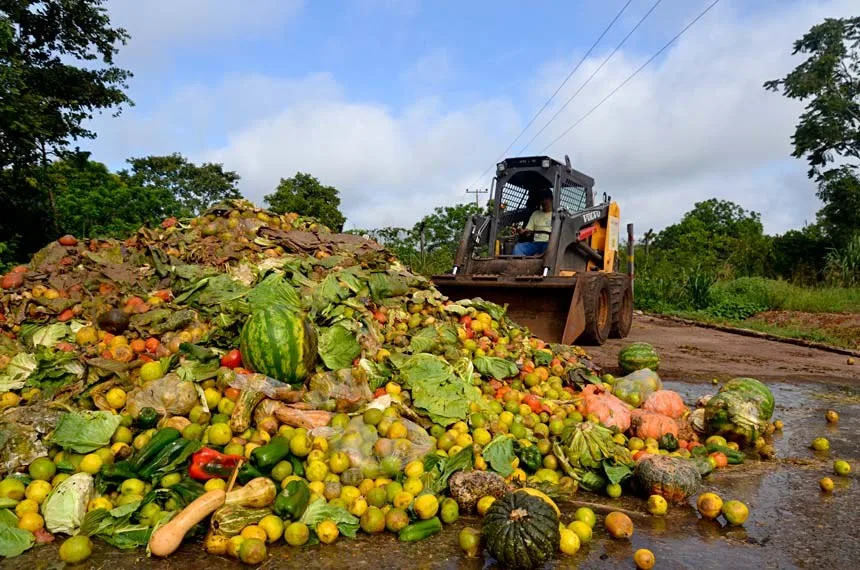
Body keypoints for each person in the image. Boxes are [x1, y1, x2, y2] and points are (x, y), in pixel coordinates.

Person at [512, 189, 553, 256]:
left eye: (546, 198)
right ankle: (523, 265)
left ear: (551, 199)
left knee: (548, 249)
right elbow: (528, 231)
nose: (544, 201)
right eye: (542, 199)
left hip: (549, 244)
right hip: (536, 244)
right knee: (518, 248)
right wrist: (522, 231)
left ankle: (539, 257)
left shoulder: (556, 215)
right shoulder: (535, 214)